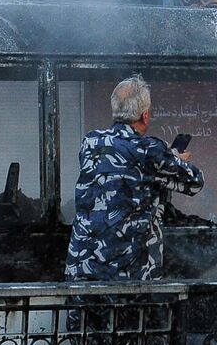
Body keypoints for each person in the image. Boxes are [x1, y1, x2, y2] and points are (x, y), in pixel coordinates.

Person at [65, 75, 205, 281]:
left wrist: (163, 158)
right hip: (129, 277)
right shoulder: (150, 151)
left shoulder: (91, 142)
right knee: (136, 314)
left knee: (87, 314)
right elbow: (195, 182)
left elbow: (123, 165)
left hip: (83, 271)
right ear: (145, 116)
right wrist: (174, 159)